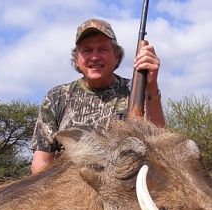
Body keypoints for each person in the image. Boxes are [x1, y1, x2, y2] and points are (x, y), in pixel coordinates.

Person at [31, 18, 165, 175]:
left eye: (102, 49)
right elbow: (41, 162)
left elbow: (158, 143)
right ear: (77, 59)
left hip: (125, 190)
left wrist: (151, 87)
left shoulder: (136, 90)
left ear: (117, 56)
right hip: (69, 194)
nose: (95, 57)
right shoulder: (57, 97)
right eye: (87, 50)